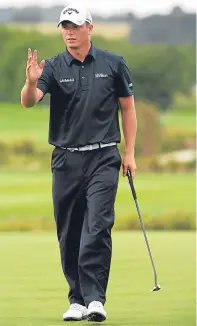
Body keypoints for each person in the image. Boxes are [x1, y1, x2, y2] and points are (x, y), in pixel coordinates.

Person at [21, 3, 137, 323]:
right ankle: (77, 300)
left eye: (74, 26)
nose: (69, 32)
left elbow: (128, 107)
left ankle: (96, 298)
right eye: (64, 27)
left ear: (89, 28)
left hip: (104, 156)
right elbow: (30, 102)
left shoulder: (114, 64)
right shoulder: (54, 66)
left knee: (97, 227)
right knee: (69, 232)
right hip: (66, 159)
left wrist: (129, 153)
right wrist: (31, 82)